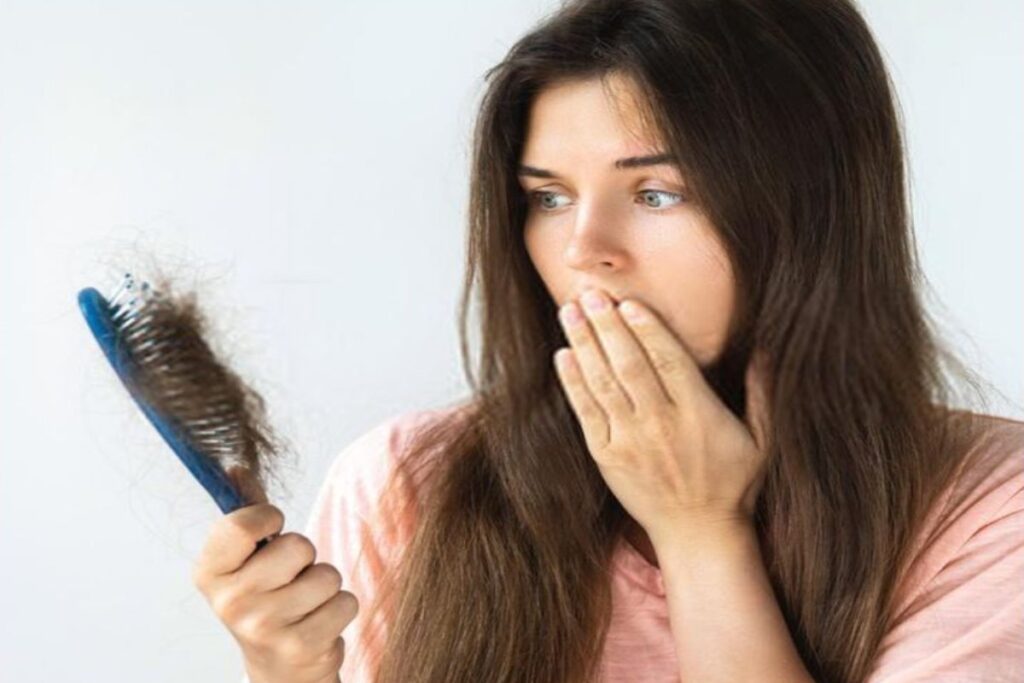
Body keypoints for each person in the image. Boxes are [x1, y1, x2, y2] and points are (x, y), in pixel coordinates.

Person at [192, 1, 1024, 681]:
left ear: (813, 214)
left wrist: (702, 534)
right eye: (549, 197)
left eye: (658, 193)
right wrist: (289, 674)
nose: (585, 246)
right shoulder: (407, 482)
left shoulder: (991, 508)